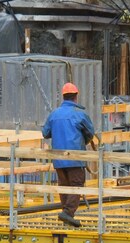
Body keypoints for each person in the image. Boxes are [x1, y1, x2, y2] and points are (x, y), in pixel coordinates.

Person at [42, 82, 95, 227]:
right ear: (76, 97)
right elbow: (90, 133)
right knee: (77, 185)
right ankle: (68, 213)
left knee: (64, 186)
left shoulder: (54, 114)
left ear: (64, 97)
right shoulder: (80, 114)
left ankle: (66, 216)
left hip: (58, 159)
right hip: (75, 158)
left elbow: (45, 133)